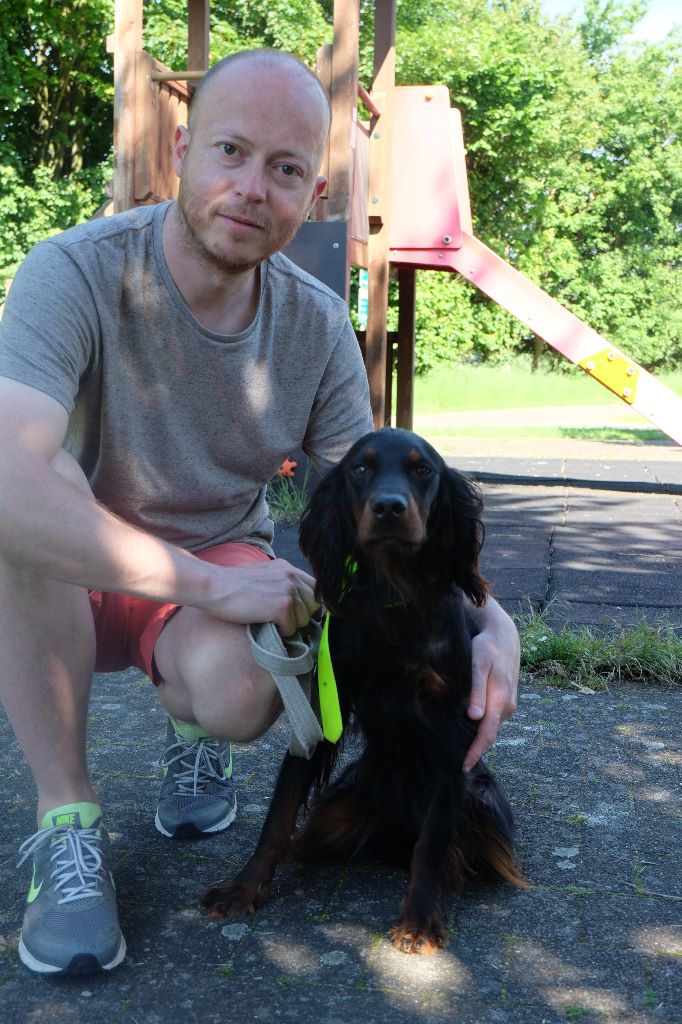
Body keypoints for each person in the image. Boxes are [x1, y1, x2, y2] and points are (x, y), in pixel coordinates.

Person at [0, 48, 520, 977]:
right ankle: (68, 821)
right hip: (72, 570)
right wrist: (201, 581)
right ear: (179, 146)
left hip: (206, 583)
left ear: (311, 190)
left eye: (284, 170)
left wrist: (495, 620)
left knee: (250, 696)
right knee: (23, 517)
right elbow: (6, 477)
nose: (251, 189)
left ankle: (194, 735)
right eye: (231, 151)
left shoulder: (314, 324)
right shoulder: (71, 272)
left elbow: (377, 506)